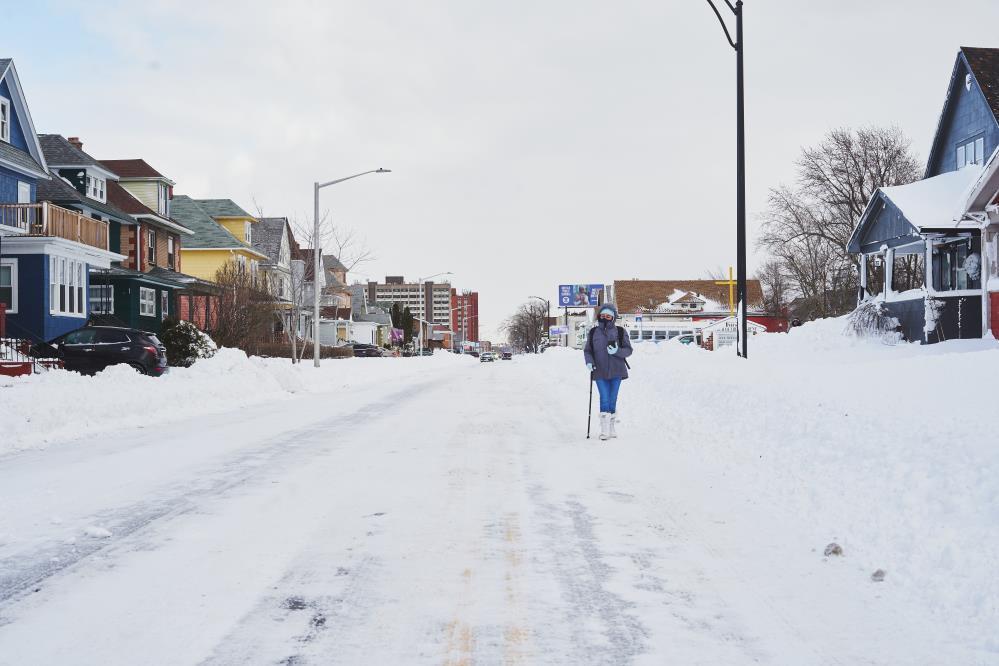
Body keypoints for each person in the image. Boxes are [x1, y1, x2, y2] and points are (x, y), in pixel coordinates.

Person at [583, 303, 633, 440]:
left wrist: (617, 351)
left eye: (608, 315)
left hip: (617, 370)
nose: (605, 317)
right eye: (603, 315)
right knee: (604, 398)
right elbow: (588, 350)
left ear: (613, 317)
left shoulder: (620, 331)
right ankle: (604, 429)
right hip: (599, 370)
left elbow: (628, 351)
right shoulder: (593, 332)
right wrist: (589, 362)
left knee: (612, 399)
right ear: (599, 316)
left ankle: (611, 427)